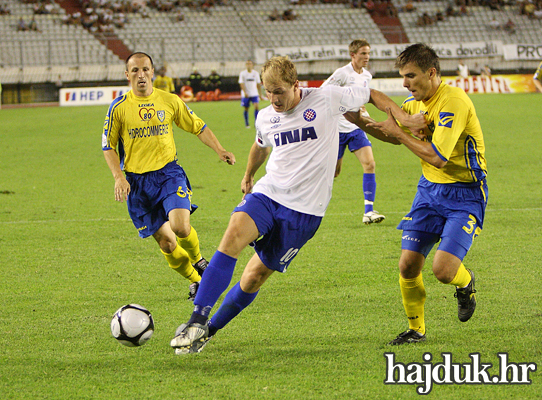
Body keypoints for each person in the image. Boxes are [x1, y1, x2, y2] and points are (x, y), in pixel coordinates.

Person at [169, 55, 426, 355]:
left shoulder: (327, 98)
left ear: (296, 84)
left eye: (279, 91)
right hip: (269, 193)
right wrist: (249, 174)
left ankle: (209, 331)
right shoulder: (266, 116)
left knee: (254, 277)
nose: (274, 98)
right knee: (232, 235)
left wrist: (404, 119)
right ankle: (197, 320)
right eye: (268, 91)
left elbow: (370, 94)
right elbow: (260, 144)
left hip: (305, 212)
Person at [365, 43, 487, 345]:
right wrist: (361, 121)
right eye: (403, 77)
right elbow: (393, 132)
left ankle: (466, 281)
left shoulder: (453, 102)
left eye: (410, 76)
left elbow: (437, 157)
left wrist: (398, 131)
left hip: (465, 192)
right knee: (407, 264)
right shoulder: (415, 102)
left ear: (431, 73)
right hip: (429, 191)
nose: (405, 84)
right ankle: (416, 330)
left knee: (444, 271)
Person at [102, 52, 236, 300]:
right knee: (167, 244)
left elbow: (198, 126)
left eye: (145, 69)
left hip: (168, 174)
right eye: (135, 71)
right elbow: (108, 146)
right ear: (127, 75)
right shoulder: (118, 108)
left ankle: (199, 260)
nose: (140, 75)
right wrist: (118, 177)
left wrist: (220, 149)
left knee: (180, 226)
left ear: (153, 72)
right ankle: (197, 280)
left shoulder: (169, 100)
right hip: (137, 184)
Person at [322, 39, 385, 225]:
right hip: (337, 129)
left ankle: (369, 211)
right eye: (363, 54)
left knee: (370, 164)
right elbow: (322, 92)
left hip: (356, 127)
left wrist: (363, 111)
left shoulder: (367, 76)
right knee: (334, 173)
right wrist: (339, 107)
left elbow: (360, 98)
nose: (367, 57)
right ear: (353, 55)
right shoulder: (342, 73)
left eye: (368, 53)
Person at [238, 60, 263, 128]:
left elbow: (258, 84)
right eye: (247, 64)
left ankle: (256, 123)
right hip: (246, 94)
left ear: (252, 65)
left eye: (250, 64)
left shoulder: (256, 73)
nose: (249, 65)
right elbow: (241, 83)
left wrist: (260, 94)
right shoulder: (243, 73)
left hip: (254, 93)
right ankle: (247, 123)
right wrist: (245, 92)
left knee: (256, 106)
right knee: (246, 108)